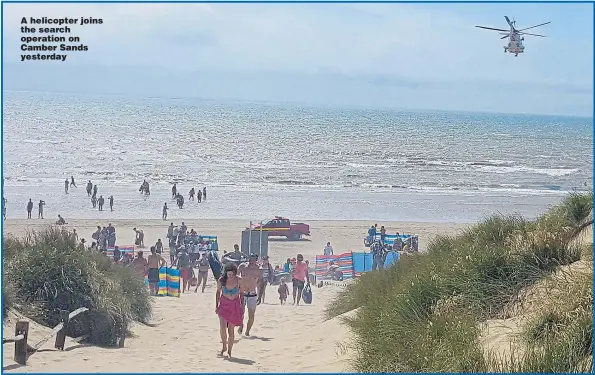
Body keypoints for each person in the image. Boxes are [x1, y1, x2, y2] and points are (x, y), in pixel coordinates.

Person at [216, 263, 244, 358]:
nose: (230, 276)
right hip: (224, 305)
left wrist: (242, 306)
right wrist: (216, 305)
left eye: (232, 274)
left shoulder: (239, 280)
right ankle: (224, 346)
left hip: (234, 306)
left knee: (231, 330)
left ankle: (229, 351)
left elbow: (242, 294)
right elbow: (218, 292)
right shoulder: (221, 280)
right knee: (223, 328)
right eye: (229, 274)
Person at [237, 253, 261, 336]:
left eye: (254, 260)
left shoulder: (258, 269)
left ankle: (247, 331)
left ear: (256, 260)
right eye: (250, 259)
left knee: (251, 315)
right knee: (240, 313)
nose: (252, 261)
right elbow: (235, 277)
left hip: (252, 294)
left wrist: (260, 296)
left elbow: (260, 283)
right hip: (242, 293)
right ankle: (241, 325)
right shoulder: (242, 267)